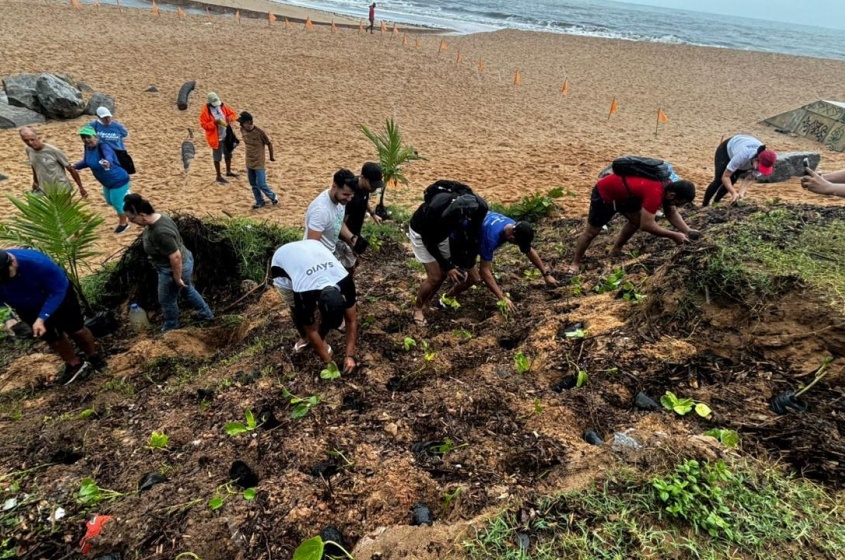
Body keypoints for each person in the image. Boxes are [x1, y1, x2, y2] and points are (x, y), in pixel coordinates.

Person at [0, 248, 105, 385]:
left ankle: (93, 356)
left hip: (59, 297)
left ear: (13, 262)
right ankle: (74, 363)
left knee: (76, 330)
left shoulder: (37, 263)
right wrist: (8, 319)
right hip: (27, 306)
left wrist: (42, 317)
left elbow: (58, 290)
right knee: (52, 338)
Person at [567, 173, 698, 274]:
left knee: (635, 222)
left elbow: (672, 214)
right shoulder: (655, 192)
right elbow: (646, 225)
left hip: (627, 196)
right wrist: (674, 235)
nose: (677, 206)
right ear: (672, 195)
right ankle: (575, 262)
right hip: (605, 194)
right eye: (678, 203)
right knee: (591, 232)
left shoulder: (668, 188)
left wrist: (687, 231)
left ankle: (616, 250)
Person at [123, 194, 214, 332]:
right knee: (187, 289)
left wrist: (177, 278)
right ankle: (205, 314)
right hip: (184, 260)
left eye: (132, 218)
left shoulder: (160, 232)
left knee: (166, 299)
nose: (131, 221)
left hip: (172, 269)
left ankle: (171, 325)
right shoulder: (159, 217)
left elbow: (175, 256)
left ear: (142, 215)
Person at [271, 240, 358, 373]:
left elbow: (351, 320)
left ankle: (320, 336)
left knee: (314, 322)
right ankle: (305, 338)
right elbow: (311, 329)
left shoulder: (346, 282)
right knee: (298, 311)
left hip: (313, 246)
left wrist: (350, 355)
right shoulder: (302, 292)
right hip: (281, 260)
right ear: (316, 304)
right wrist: (329, 363)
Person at [408, 183, 488, 325]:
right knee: (434, 276)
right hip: (422, 232)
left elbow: (472, 235)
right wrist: (448, 265)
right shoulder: (435, 208)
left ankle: (427, 302)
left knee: (444, 274)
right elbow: (430, 241)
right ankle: (417, 308)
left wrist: (464, 263)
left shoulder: (480, 207)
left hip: (443, 233)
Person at [443, 213, 556, 313]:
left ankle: (459, 270)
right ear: (512, 237)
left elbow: (529, 251)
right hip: (457, 239)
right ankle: (446, 298)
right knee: (474, 278)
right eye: (516, 243)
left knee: (471, 269)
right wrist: (502, 297)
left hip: (473, 237)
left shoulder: (512, 225)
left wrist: (546, 274)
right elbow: (485, 271)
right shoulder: (491, 238)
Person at [74, 126, 131, 234]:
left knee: (117, 203)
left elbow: (108, 156)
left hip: (118, 179)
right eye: (83, 137)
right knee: (110, 201)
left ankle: (124, 223)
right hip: (106, 182)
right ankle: (128, 200)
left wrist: (107, 162)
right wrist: (75, 166)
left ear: (95, 136)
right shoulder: (87, 147)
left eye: (88, 137)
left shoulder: (103, 146)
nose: (86, 139)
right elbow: (86, 161)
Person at [304, 169, 359, 271]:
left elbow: (338, 222)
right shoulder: (321, 211)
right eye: (346, 194)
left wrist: (352, 238)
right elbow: (312, 245)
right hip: (320, 260)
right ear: (334, 186)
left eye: (352, 195)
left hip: (331, 251)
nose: (349, 199)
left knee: (352, 267)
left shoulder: (339, 200)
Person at [702, 135, 777, 206]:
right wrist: (733, 192)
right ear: (756, 160)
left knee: (733, 180)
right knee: (719, 180)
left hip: (746, 149)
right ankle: (705, 204)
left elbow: (750, 178)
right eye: (759, 167)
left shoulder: (766, 161)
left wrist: (741, 193)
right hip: (728, 148)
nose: (759, 170)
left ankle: (716, 202)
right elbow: (725, 177)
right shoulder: (742, 155)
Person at [19, 127, 87, 197]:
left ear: (38, 137)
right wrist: (35, 182)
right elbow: (34, 166)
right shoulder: (28, 150)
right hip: (44, 189)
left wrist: (81, 188)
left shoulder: (53, 151)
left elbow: (71, 168)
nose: (30, 143)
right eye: (26, 140)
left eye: (32, 139)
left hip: (61, 189)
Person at [237, 111, 279, 209]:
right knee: (253, 184)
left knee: (261, 184)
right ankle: (259, 201)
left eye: (243, 123)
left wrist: (271, 156)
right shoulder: (242, 130)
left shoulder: (259, 133)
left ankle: (273, 197)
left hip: (259, 162)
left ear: (249, 122)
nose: (241, 125)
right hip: (249, 161)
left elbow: (269, 143)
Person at [199, 92, 238, 184]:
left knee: (228, 154)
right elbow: (204, 125)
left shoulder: (222, 106)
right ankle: (218, 176)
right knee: (217, 157)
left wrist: (230, 119)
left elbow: (232, 114)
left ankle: (228, 171)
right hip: (216, 138)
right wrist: (214, 123)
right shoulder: (205, 111)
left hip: (226, 134)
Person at [89, 107, 134, 174]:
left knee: (124, 173)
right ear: (99, 117)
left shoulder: (117, 126)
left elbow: (126, 135)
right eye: (104, 118)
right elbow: (86, 135)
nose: (107, 119)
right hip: (102, 152)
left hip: (118, 152)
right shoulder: (93, 125)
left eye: (109, 117)